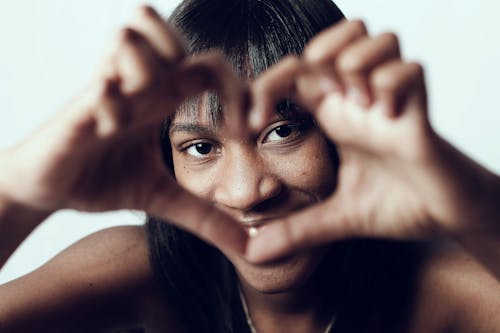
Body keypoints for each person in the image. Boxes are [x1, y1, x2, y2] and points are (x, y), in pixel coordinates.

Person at [0, 0, 499, 332]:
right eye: (200, 147)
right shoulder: (139, 272)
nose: (246, 192)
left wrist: (477, 206)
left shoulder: (442, 285)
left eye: (282, 132)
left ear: (347, 136)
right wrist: (19, 192)